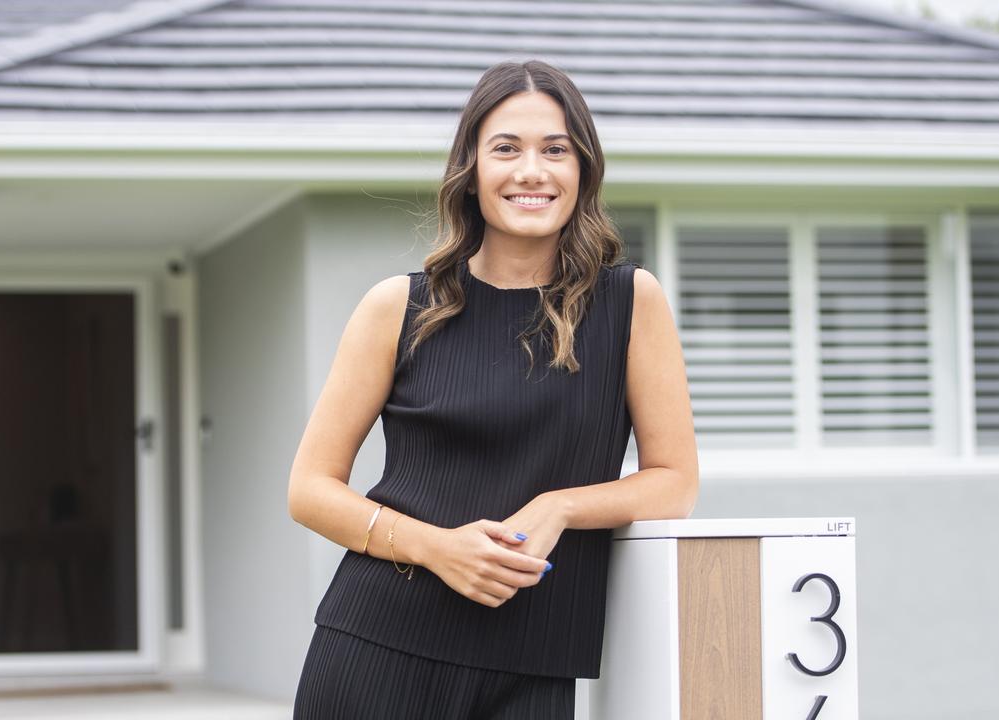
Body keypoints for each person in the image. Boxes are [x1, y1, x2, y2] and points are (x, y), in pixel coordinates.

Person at [286, 59, 698, 719]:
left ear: (582, 172)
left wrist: (560, 507)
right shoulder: (397, 308)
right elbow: (309, 491)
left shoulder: (631, 303)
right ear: (471, 173)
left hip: (534, 664)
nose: (531, 171)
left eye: (555, 150)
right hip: (376, 648)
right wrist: (436, 548)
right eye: (506, 148)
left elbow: (674, 483)